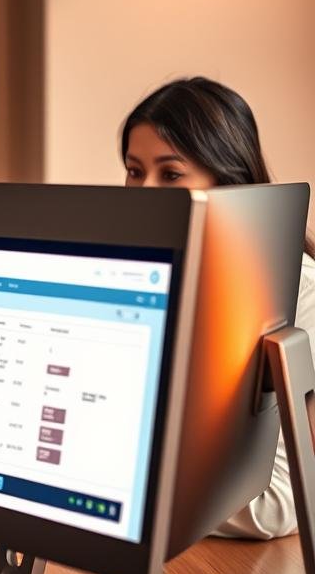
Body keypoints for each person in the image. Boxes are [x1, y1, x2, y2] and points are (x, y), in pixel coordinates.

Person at [120, 75, 315, 539]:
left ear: (227, 181)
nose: (144, 192)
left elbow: (279, 505)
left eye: (170, 174)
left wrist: (118, 491)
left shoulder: (299, 293)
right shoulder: (146, 277)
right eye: (133, 170)